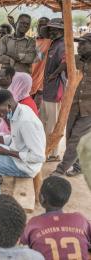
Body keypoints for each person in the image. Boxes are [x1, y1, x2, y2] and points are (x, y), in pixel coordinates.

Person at [0, 89, 45, 178]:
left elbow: (38, 157)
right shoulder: (16, 111)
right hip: (14, 154)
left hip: (24, 166)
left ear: (9, 106)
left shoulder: (26, 122)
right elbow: (16, 139)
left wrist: (6, 152)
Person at [21, 176, 91, 260]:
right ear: (66, 200)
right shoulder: (80, 220)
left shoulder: (34, 223)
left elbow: (23, 242)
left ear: (42, 199)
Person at [52, 33, 91, 177]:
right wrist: (54, 74)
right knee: (69, 137)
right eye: (78, 44)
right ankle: (78, 165)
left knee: (76, 138)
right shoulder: (74, 60)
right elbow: (63, 66)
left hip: (89, 109)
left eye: (83, 44)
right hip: (73, 105)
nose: (79, 47)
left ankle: (61, 169)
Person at [40, 18, 66, 162]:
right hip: (48, 88)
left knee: (52, 123)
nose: (52, 31)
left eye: (55, 29)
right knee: (45, 121)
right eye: (50, 29)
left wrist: (54, 75)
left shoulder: (62, 44)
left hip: (55, 90)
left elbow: (65, 61)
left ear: (61, 31)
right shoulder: (54, 43)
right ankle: (47, 150)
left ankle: (53, 153)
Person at [30, 17, 51, 108]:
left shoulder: (51, 42)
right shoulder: (33, 41)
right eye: (39, 25)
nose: (41, 27)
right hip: (30, 82)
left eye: (44, 25)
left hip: (41, 86)